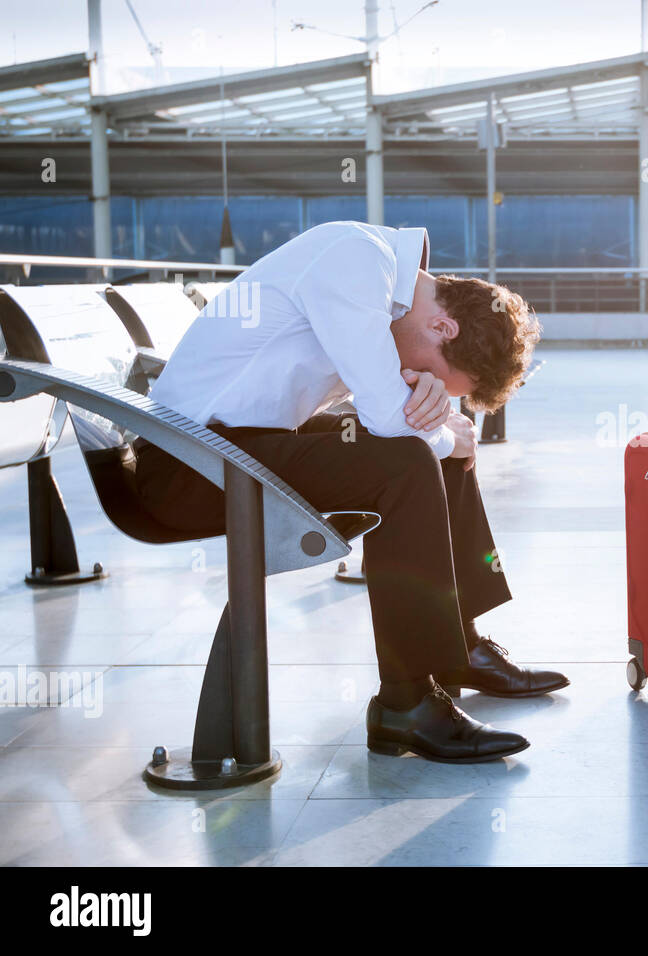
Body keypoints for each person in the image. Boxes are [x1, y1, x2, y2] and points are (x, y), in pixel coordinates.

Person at [133, 220, 565, 764]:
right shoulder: (356, 261)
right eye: (425, 371)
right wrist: (443, 431)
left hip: (235, 446)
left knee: (433, 448)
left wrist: (443, 431)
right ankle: (405, 703)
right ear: (443, 327)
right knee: (410, 456)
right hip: (185, 465)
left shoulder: (385, 282)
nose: (411, 374)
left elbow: (381, 414)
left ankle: (460, 644)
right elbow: (388, 418)